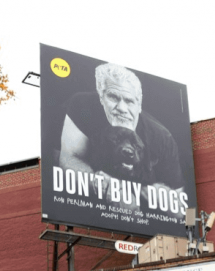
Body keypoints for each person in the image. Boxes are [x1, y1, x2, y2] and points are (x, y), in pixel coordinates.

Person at [58, 63, 184, 192]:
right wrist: (107, 187)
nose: (122, 108)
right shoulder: (83, 106)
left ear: (139, 105)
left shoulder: (161, 138)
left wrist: (135, 195)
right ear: (101, 97)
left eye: (129, 101)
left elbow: (181, 202)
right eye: (113, 97)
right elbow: (69, 157)